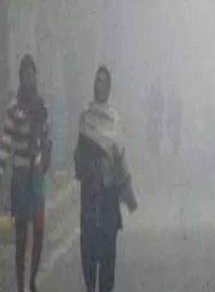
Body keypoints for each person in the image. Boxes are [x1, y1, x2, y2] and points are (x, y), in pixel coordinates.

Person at [74, 66, 137, 292]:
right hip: (90, 193)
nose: (99, 85)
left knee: (108, 251)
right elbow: (79, 155)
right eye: (97, 81)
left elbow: (120, 156)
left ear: (108, 87)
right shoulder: (85, 117)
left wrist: (127, 190)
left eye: (103, 81)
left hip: (109, 194)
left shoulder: (114, 119)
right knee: (88, 249)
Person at [0, 54, 52, 292]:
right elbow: (5, 142)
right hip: (19, 175)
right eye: (25, 75)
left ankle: (32, 280)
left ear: (35, 77)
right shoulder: (13, 109)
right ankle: (20, 285)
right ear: (20, 78)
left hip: (36, 175)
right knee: (20, 235)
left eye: (32, 75)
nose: (29, 79)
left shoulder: (41, 106)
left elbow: (46, 136)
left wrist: (46, 155)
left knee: (39, 228)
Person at [166, 89, 183, 155]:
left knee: (176, 133)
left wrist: (179, 118)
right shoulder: (170, 100)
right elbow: (168, 109)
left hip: (176, 119)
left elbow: (179, 110)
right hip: (172, 118)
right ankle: (174, 146)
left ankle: (175, 148)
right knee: (171, 132)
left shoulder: (177, 101)